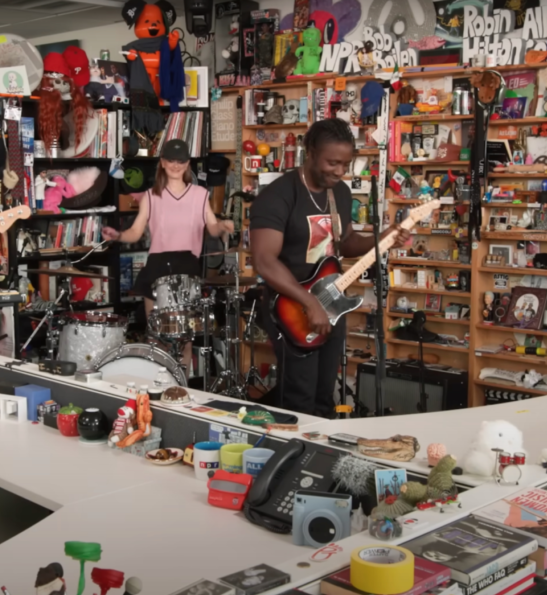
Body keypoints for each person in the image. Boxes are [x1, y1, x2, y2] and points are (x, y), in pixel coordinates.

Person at [250, 119, 410, 418]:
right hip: (291, 308)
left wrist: (383, 238)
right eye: (332, 163)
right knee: (299, 398)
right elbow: (264, 260)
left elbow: (345, 243)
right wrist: (310, 303)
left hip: (331, 303)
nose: (339, 171)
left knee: (325, 396)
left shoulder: (340, 193)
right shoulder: (279, 195)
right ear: (310, 152)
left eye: (345, 165)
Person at [101, 139, 234, 368]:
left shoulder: (200, 194)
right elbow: (135, 232)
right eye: (171, 160)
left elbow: (212, 228)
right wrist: (118, 235)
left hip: (187, 267)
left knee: (185, 340)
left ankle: (181, 386)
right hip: (157, 267)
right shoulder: (150, 196)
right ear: (162, 163)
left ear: (187, 164)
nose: (175, 165)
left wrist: (222, 226)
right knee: (156, 337)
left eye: (180, 161)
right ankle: (158, 384)